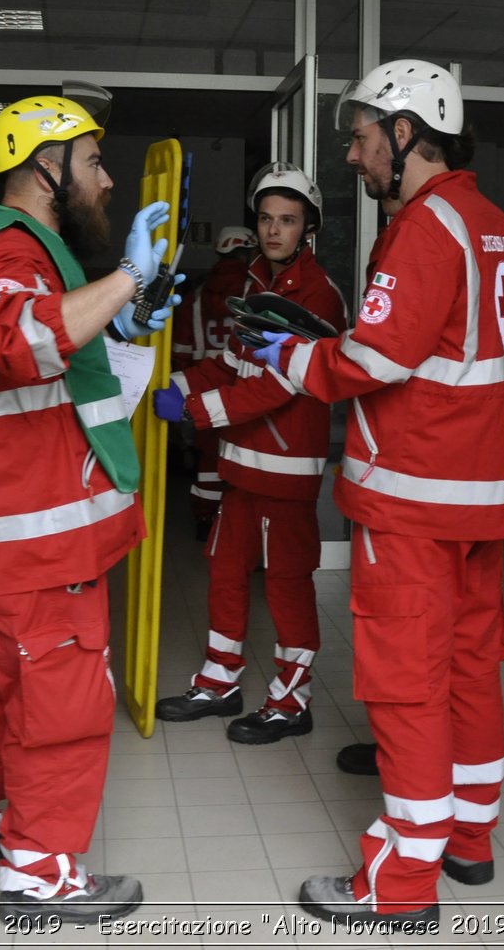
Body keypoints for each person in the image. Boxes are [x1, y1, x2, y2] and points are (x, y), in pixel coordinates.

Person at [254, 61, 504, 929]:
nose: (353, 153)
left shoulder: (422, 228)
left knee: (409, 685)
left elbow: (372, 362)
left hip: (412, 504)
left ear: (407, 134)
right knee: (469, 669)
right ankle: (469, 839)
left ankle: (399, 885)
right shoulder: (493, 225)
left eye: (365, 136)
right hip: (477, 500)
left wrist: (287, 358)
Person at [0, 91, 181, 920]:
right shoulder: (10, 248)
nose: (107, 182)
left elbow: (64, 348)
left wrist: (128, 317)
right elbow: (21, 341)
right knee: (59, 702)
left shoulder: (22, 245)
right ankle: (39, 871)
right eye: (95, 162)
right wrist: (130, 275)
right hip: (35, 544)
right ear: (46, 167)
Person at [152, 164, 347, 744]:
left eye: (287, 221)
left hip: (285, 473)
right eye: (266, 219)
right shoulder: (253, 285)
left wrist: (196, 412)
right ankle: (220, 680)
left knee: (287, 584)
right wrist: (179, 384)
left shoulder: (320, 295)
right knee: (225, 571)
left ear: (307, 227)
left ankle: (292, 699)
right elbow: (234, 365)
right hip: (242, 466)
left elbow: (280, 385)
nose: (273, 230)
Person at [170, 226, 257, 540]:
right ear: (246, 253)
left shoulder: (195, 296)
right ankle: (237, 526)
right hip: (243, 391)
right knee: (243, 458)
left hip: (202, 388)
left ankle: (205, 521)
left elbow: (181, 349)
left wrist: (186, 384)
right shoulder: (255, 293)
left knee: (208, 461)